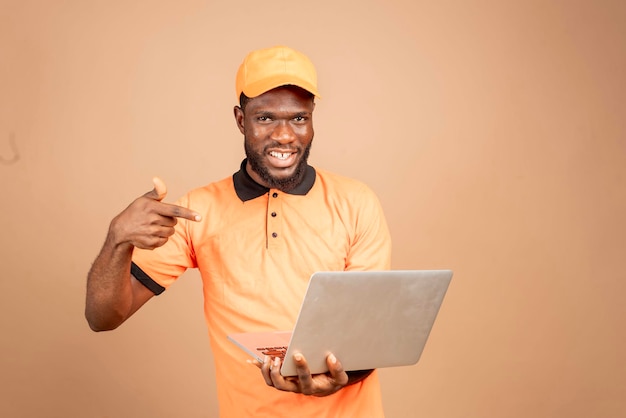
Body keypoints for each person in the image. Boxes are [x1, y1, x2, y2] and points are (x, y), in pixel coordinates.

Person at [85, 45, 392, 418]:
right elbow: (103, 318)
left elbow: (369, 335)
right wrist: (118, 239)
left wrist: (340, 377)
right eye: (265, 118)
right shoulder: (198, 210)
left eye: (298, 118)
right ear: (240, 120)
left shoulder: (356, 202)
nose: (284, 135)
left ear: (312, 120)